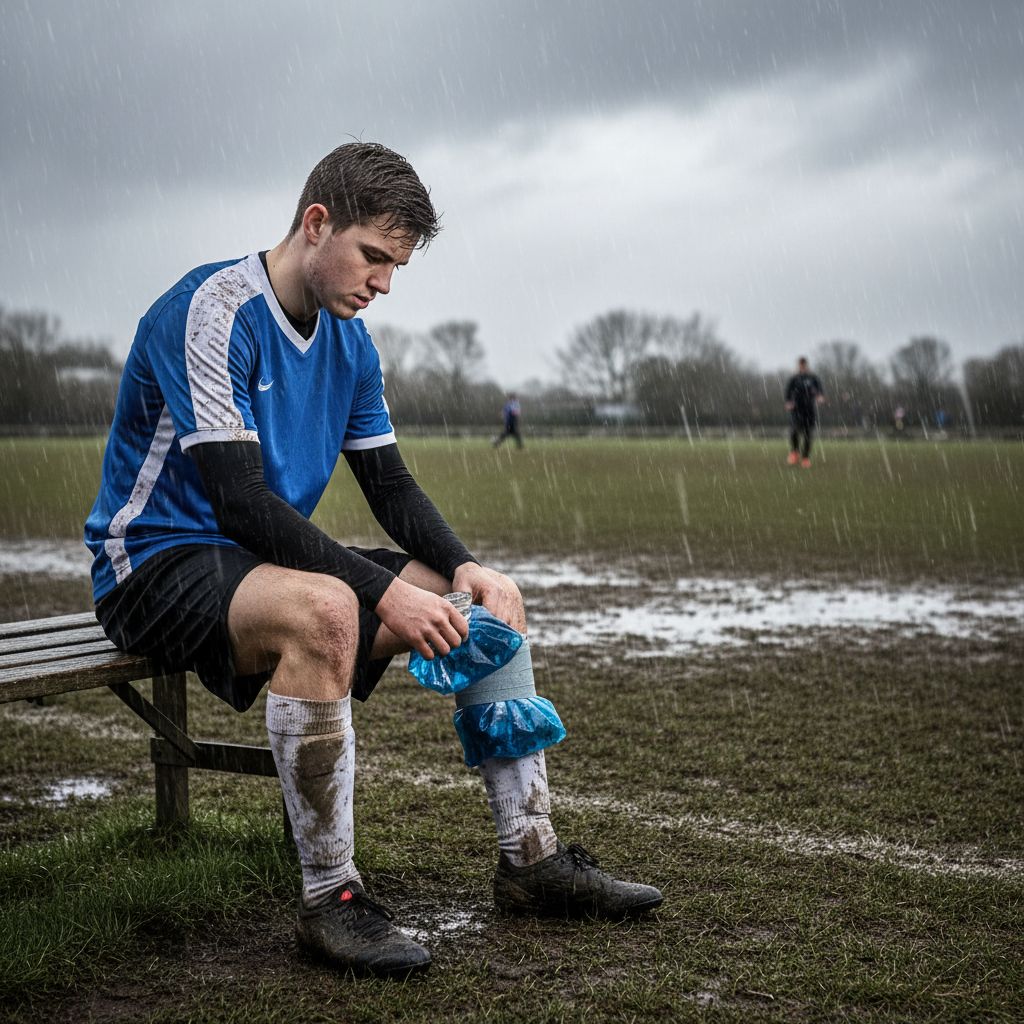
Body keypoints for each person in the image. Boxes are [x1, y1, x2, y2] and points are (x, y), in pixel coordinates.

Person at [84, 142, 661, 979]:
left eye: (397, 265)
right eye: (375, 257)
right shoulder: (210, 311)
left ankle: (532, 859)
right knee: (327, 611)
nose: (383, 283)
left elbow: (389, 486)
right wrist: (382, 595)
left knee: (487, 600)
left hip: (254, 562)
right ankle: (331, 899)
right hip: (151, 562)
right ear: (316, 224)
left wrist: (465, 568)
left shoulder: (351, 343)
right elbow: (240, 499)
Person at [784, 356, 825, 467]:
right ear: (798, 365)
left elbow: (819, 389)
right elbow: (788, 391)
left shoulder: (813, 378)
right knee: (794, 431)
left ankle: (805, 458)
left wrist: (820, 397)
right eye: (800, 364)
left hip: (809, 409)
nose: (802, 366)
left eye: (804, 364)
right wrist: (788, 402)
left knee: (808, 434)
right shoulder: (794, 378)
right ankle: (794, 452)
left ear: (807, 365)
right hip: (796, 409)